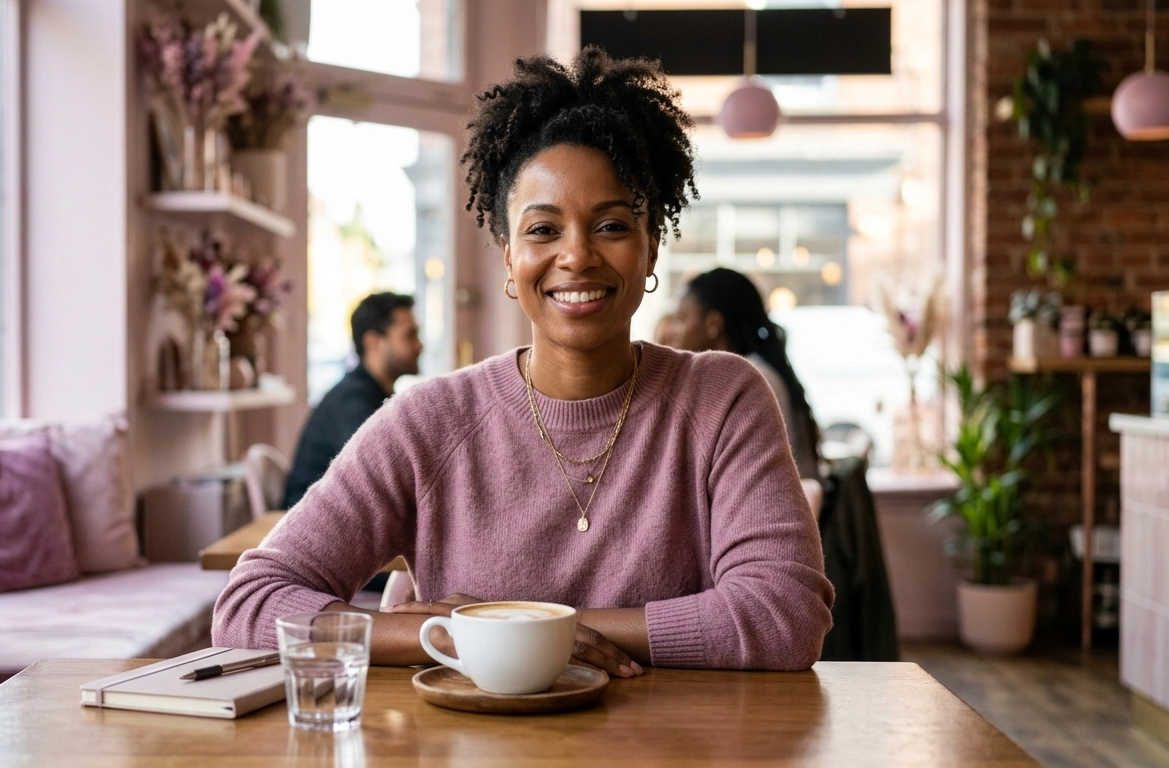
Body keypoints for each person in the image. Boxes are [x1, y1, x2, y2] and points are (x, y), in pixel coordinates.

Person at [214, 49, 833, 675]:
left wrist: (521, 626)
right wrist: (446, 635)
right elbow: (248, 608)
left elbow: (784, 617)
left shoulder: (722, 399)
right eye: (543, 230)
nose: (577, 256)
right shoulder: (430, 420)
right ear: (509, 258)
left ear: (650, 249)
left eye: (612, 226)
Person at [668, 268, 823, 481]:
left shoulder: (750, 380)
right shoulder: (756, 371)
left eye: (681, 319)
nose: (673, 332)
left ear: (713, 324)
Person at [282, 292, 422, 509]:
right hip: (310, 527)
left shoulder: (374, 395)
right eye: (409, 335)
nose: (419, 345)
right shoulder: (353, 402)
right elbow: (380, 481)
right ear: (373, 342)